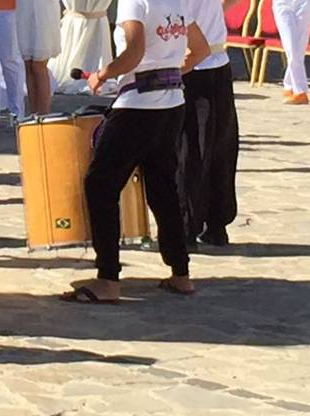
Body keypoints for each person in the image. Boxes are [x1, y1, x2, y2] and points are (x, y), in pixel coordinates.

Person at [61, 0, 210, 303]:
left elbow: (134, 52)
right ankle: (181, 273)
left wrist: (102, 74)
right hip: (172, 103)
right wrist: (172, 69)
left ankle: (108, 279)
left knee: (100, 185)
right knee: (162, 188)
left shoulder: (135, 2)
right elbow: (201, 49)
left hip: (138, 106)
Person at [179, 0, 242, 248]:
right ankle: (216, 223)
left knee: (191, 147)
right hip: (216, 59)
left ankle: (187, 226)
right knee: (219, 145)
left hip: (192, 62)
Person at [16, 0, 62, 114]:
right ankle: (34, 113)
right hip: (24, 9)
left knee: (39, 65)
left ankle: (43, 114)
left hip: (44, 10)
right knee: (28, 64)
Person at [273, 0, 310, 105]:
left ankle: (292, 87)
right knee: (291, 48)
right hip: (283, 4)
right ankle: (299, 90)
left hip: (304, 4)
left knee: (298, 50)